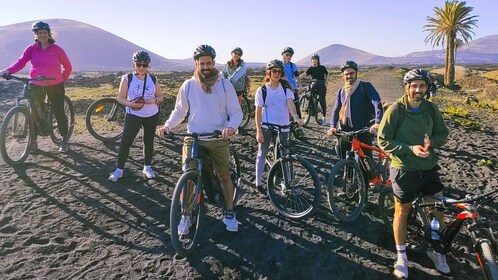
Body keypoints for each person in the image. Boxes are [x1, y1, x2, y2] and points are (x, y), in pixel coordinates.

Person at [155, 45, 242, 232]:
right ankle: (186, 215)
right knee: (188, 178)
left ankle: (229, 211)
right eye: (201, 63)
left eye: (208, 63)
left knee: (224, 175)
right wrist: (167, 126)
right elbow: (179, 111)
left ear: (214, 63)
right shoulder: (188, 85)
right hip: (193, 137)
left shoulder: (225, 84)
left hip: (217, 137)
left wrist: (231, 127)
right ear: (196, 64)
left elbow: (235, 112)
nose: (205, 67)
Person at [377, 69, 450, 279]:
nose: (418, 90)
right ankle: (401, 256)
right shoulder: (395, 110)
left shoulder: (431, 108)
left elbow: (442, 133)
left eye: (422, 86)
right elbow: (383, 141)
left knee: (437, 209)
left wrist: (431, 143)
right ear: (407, 87)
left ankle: (436, 250)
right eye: (414, 86)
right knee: (403, 210)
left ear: (427, 88)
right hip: (403, 168)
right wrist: (410, 149)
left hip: (428, 167)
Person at [0, 21, 72, 152]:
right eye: (40, 33)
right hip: (35, 83)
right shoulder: (31, 49)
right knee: (34, 113)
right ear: (36, 34)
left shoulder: (57, 49)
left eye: (45, 32)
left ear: (49, 34)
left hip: (54, 84)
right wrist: (7, 71)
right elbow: (21, 62)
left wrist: (62, 79)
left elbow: (68, 67)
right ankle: (33, 142)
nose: (42, 35)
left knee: (58, 111)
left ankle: (64, 138)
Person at [108, 51, 164, 182]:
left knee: (148, 140)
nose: (141, 68)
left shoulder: (153, 79)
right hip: (133, 115)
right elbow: (120, 98)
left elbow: (161, 97)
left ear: (148, 66)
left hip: (151, 114)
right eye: (138, 64)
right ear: (134, 64)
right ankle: (119, 170)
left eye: (144, 65)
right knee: (125, 142)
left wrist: (155, 101)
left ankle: (147, 167)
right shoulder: (127, 78)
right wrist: (131, 104)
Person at [254, 59, 303, 196]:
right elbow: (258, 112)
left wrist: (296, 117)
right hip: (267, 125)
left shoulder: (286, 88)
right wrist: (258, 130)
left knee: (285, 154)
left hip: (283, 124)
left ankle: (286, 183)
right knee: (262, 152)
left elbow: (290, 104)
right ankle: (258, 183)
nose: (276, 74)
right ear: (268, 72)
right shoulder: (262, 90)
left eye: (279, 71)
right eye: (273, 71)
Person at [326, 61, 382, 159]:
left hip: (363, 130)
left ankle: (369, 174)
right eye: (346, 74)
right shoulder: (341, 90)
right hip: (345, 129)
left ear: (356, 73)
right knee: (341, 154)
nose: (349, 76)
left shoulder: (365, 86)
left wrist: (378, 122)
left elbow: (376, 102)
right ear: (343, 76)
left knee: (366, 161)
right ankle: (347, 173)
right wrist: (332, 126)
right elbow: (336, 109)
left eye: (351, 73)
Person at [299, 54, 329, 125]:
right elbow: (304, 74)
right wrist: (297, 79)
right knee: (309, 92)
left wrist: (326, 82)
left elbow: (327, 73)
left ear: (318, 60)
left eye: (315, 59)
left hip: (321, 84)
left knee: (322, 100)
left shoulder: (322, 67)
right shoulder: (311, 68)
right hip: (313, 83)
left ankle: (324, 118)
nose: (314, 61)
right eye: (313, 60)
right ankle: (311, 106)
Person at [281, 47, 302, 118]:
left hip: (293, 88)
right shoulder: (279, 65)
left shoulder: (292, 65)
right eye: (287, 55)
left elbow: (297, 76)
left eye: (290, 56)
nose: (289, 57)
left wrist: (300, 86)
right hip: (282, 88)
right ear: (283, 55)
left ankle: (299, 123)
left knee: (296, 106)